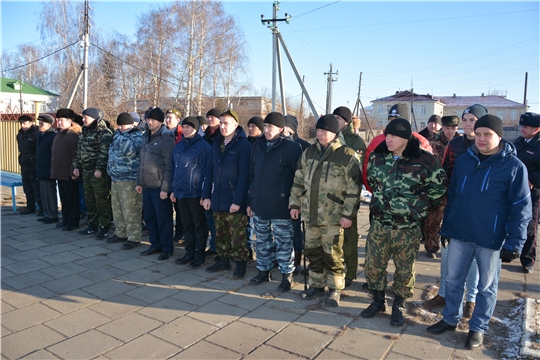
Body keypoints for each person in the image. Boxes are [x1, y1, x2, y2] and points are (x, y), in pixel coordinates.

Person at [427, 114, 531, 350]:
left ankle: (478, 328)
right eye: (479, 133)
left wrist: (514, 242)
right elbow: (453, 196)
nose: (482, 139)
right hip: (460, 233)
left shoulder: (514, 167)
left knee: (485, 287)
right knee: (452, 280)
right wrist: (448, 226)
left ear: (499, 136)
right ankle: (450, 318)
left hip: (490, 238)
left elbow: (521, 207)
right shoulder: (464, 161)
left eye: (488, 134)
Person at [361, 118, 447, 326]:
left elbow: (438, 191)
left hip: (407, 227)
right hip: (381, 223)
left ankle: (398, 304)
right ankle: (378, 300)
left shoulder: (426, 161)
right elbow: (372, 183)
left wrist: (416, 208)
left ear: (406, 138)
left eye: (393, 136)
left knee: (404, 269)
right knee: (373, 265)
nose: (388, 139)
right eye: (387, 135)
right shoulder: (378, 157)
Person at [289, 114, 362, 307]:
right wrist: (294, 204)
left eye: (324, 131)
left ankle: (335, 289)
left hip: (334, 217)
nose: (320, 135)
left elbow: (354, 190)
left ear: (334, 133)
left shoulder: (347, 155)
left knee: (333, 254)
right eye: (318, 131)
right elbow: (298, 180)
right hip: (311, 215)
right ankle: (316, 285)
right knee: (313, 252)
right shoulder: (309, 153)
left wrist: (348, 215)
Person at [424, 104, 488, 316]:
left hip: (479, 211)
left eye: (473, 120)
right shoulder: (454, 146)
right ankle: (444, 293)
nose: (468, 124)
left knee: (474, 257)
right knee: (448, 252)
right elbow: (445, 174)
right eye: (466, 120)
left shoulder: (488, 147)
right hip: (455, 207)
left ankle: (470, 300)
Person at [248, 112, 302, 291]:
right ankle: (264, 270)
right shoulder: (258, 145)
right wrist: (251, 200)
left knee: (284, 243)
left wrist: (295, 203)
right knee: (262, 241)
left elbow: (298, 178)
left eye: (271, 127)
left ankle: (287, 274)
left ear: (281, 129)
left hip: (281, 205)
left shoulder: (291, 148)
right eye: (265, 126)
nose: (267, 130)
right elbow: (252, 175)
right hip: (260, 203)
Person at [202, 109, 251, 278]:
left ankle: (240, 262)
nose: (222, 126)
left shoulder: (244, 145)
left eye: (226, 123)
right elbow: (210, 171)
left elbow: (245, 176)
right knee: (220, 231)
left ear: (236, 125)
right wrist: (206, 195)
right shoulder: (216, 144)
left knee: (237, 233)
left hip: (233, 199)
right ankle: (223, 259)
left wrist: (238, 201)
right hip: (217, 197)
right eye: (221, 123)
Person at [362, 104, 432, 192]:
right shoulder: (377, 141)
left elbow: (431, 172)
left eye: (397, 120)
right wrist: (376, 193)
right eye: (390, 120)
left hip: (411, 201)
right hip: (382, 200)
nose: (393, 123)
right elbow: (366, 168)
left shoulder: (420, 141)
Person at [332, 106, 366, 287]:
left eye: (339, 118)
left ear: (346, 121)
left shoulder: (355, 141)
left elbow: (356, 172)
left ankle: (350, 273)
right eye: (333, 117)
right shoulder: (330, 137)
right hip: (329, 198)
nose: (335, 120)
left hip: (348, 197)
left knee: (349, 238)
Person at [171, 116, 211, 269]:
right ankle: (189, 252)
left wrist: (204, 194)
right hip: (181, 192)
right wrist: (174, 190)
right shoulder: (179, 146)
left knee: (199, 225)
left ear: (196, 129)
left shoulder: (203, 146)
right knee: (186, 225)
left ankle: (199, 254)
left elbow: (208, 171)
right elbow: (174, 168)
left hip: (196, 193)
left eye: (189, 127)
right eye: (184, 127)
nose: (186, 130)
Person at [136, 107, 176, 260]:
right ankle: (155, 244)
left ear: (160, 122)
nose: (149, 122)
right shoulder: (145, 136)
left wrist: (165, 188)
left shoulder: (166, 139)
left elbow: (169, 166)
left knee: (163, 218)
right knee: (150, 217)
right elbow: (141, 162)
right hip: (146, 185)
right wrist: (139, 182)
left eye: (152, 120)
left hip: (159, 187)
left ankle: (167, 247)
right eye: (148, 119)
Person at [423, 115, 461, 258]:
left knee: (454, 219)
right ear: (442, 127)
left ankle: (452, 247)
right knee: (433, 219)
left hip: (456, 186)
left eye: (453, 128)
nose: (450, 131)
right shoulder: (432, 142)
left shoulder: (462, 143)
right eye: (447, 128)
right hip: (436, 187)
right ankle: (431, 247)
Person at [72, 108, 113, 239]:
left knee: (101, 199)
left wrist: (99, 169)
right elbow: (79, 151)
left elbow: (104, 152)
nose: (83, 120)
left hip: (97, 173)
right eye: (83, 117)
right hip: (86, 171)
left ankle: (104, 226)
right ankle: (92, 224)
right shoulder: (85, 131)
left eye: (86, 117)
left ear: (95, 118)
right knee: (89, 199)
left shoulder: (103, 132)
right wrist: (76, 166)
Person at [106, 113, 144, 250]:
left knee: (131, 209)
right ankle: (120, 232)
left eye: (124, 125)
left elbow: (130, 150)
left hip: (129, 178)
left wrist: (119, 137)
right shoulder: (117, 134)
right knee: (117, 208)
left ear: (132, 124)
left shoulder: (137, 136)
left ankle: (134, 236)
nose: (121, 128)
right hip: (115, 177)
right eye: (119, 125)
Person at [513, 112, 540, 273]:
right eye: (521, 126)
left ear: (536, 129)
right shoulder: (519, 141)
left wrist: (531, 179)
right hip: (514, 189)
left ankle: (528, 259)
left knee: (530, 226)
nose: (522, 129)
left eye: (526, 127)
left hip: (533, 192)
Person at [283, 114, 310, 274]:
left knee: (296, 230)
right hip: (281, 193)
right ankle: (283, 258)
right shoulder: (278, 144)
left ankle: (298, 260)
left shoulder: (303, 146)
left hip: (298, 195)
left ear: (291, 128)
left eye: (285, 127)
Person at [51, 109, 81, 231]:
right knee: (64, 198)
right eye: (58, 120)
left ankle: (73, 221)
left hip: (69, 173)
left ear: (69, 121)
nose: (59, 123)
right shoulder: (59, 134)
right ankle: (65, 219)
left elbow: (75, 155)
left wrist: (74, 170)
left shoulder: (74, 136)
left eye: (62, 120)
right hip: (59, 172)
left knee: (72, 199)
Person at [202, 107, 222, 258]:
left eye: (213, 117)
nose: (210, 120)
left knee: (217, 218)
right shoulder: (205, 135)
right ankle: (213, 245)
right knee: (208, 216)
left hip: (219, 180)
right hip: (205, 176)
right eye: (208, 117)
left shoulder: (221, 136)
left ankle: (219, 247)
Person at [165, 108, 184, 242]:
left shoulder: (182, 134)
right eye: (166, 117)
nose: (167, 120)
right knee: (166, 206)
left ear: (178, 120)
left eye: (170, 117)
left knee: (180, 208)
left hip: (178, 174)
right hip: (165, 174)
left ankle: (180, 232)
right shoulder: (163, 133)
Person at [35, 114, 58, 224]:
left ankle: (53, 214)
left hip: (48, 168)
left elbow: (53, 155)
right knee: (43, 192)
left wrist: (51, 168)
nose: (39, 126)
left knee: (49, 193)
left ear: (49, 125)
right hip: (41, 167)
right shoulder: (41, 135)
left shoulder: (52, 135)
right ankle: (47, 212)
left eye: (42, 124)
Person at [16, 115, 41, 215]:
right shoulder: (20, 134)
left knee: (36, 188)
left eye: (25, 123)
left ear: (31, 123)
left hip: (33, 164)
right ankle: (30, 207)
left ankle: (42, 209)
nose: (23, 125)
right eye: (21, 123)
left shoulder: (35, 133)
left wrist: (33, 159)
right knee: (27, 187)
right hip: (24, 163)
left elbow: (38, 149)